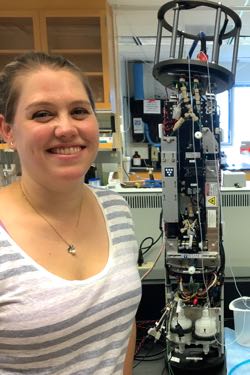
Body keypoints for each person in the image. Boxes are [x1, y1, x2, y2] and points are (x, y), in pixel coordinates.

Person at [0, 52, 141, 374]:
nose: (65, 129)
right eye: (42, 114)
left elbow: (122, 328)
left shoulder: (115, 209)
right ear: (7, 130)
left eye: (79, 111)